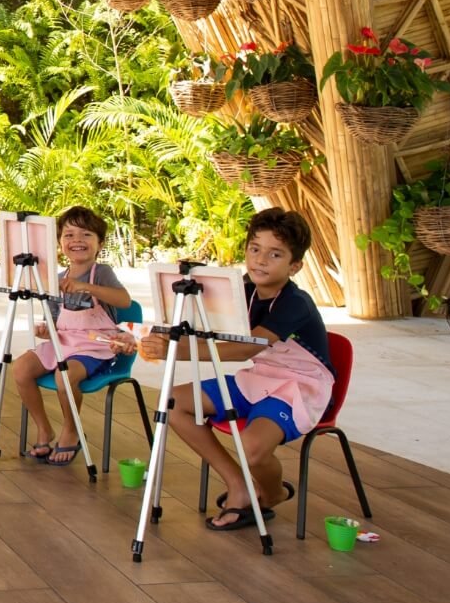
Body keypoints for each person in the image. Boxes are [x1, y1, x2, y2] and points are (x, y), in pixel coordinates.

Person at [140, 207, 334, 531]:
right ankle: (239, 485)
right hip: (258, 378)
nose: (260, 260)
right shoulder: (243, 289)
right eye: (255, 249)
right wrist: (157, 335)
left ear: (295, 265)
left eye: (275, 254)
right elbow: (200, 325)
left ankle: (271, 495)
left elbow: (246, 347)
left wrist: (178, 349)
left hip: (300, 386)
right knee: (172, 403)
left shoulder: (295, 302)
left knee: (252, 447)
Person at [10, 206, 136, 466]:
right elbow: (56, 322)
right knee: (21, 368)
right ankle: (44, 428)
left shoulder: (101, 273)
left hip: (94, 345)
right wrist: (45, 331)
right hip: (63, 341)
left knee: (64, 375)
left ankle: (71, 430)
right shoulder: (56, 278)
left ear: (99, 243)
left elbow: (124, 301)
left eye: (86, 234)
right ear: (59, 243)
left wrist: (86, 287)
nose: (76, 240)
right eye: (69, 235)